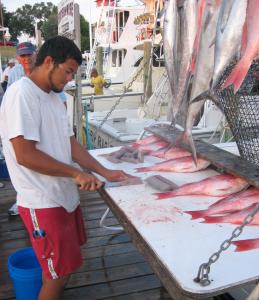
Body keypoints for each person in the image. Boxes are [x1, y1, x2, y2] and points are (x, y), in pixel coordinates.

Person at [0, 36, 129, 300]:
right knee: (54, 275)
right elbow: (24, 154)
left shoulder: (55, 98)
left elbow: (70, 144)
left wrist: (104, 171)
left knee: (65, 267)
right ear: (49, 62)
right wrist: (75, 173)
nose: (69, 79)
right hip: (42, 201)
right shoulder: (21, 94)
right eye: (68, 71)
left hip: (63, 197)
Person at [6, 42, 36, 216]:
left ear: (36, 54)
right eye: (23, 56)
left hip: (37, 122)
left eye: (29, 54)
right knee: (21, 163)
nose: (26, 59)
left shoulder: (43, 71)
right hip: (20, 123)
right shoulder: (14, 73)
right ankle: (23, 199)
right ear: (18, 57)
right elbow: (10, 99)